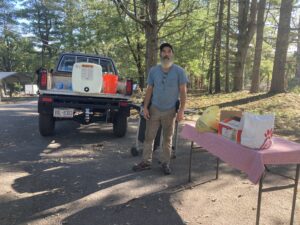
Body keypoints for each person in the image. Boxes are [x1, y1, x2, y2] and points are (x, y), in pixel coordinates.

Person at [133, 42, 188, 175]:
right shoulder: (153, 71)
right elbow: (149, 90)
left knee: (167, 139)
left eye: (169, 51)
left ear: (172, 54)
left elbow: (183, 91)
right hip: (154, 109)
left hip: (170, 111)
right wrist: (145, 107)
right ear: (160, 54)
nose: (166, 54)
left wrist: (181, 110)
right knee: (149, 137)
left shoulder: (179, 71)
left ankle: (165, 163)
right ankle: (146, 162)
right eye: (164, 51)